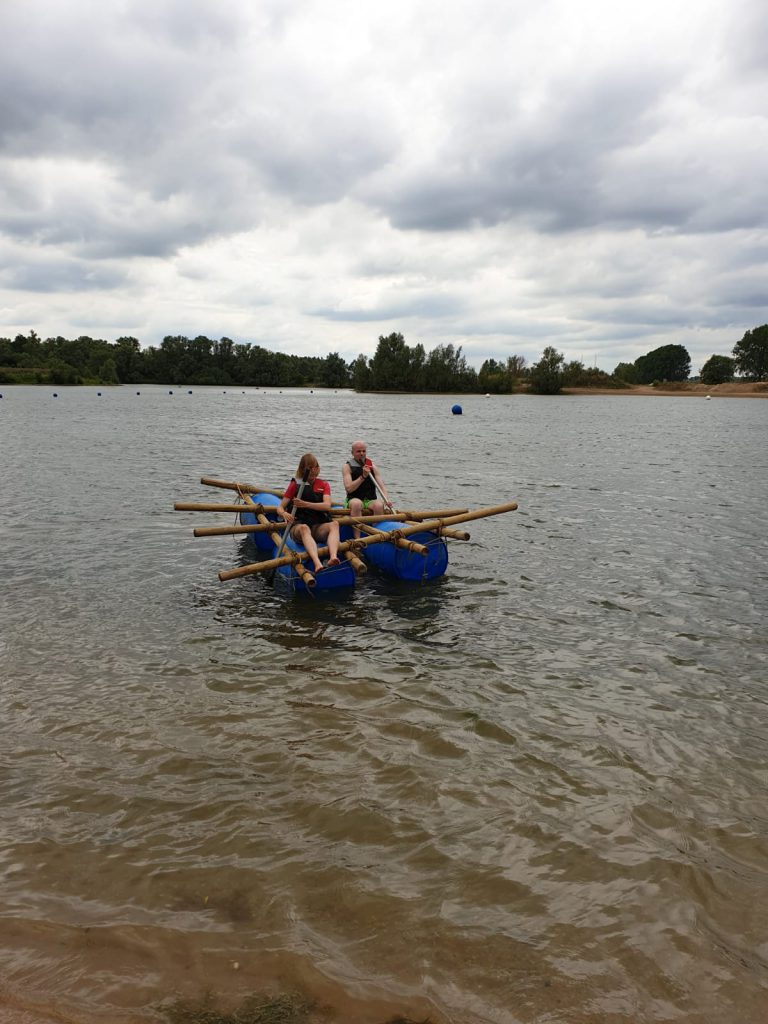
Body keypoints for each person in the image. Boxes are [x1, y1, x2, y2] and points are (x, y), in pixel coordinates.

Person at [277, 453, 341, 575]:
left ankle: (333, 557)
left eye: (315, 467)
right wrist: (284, 514)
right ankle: (317, 563)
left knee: (335, 524)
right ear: (303, 469)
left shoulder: (324, 485)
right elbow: (280, 507)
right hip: (299, 527)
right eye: (309, 468)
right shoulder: (295, 484)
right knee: (304, 528)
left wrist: (305, 504)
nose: (313, 471)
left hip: (317, 526)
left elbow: (327, 505)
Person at [342, 441, 393, 536]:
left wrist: (386, 499)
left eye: (363, 451)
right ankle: (357, 537)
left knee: (379, 505)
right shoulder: (347, 467)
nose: (361, 454)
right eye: (358, 451)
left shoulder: (372, 467)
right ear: (352, 453)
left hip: (369, 500)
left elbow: (382, 486)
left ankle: (376, 535)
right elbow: (349, 489)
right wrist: (363, 477)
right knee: (357, 504)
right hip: (353, 499)